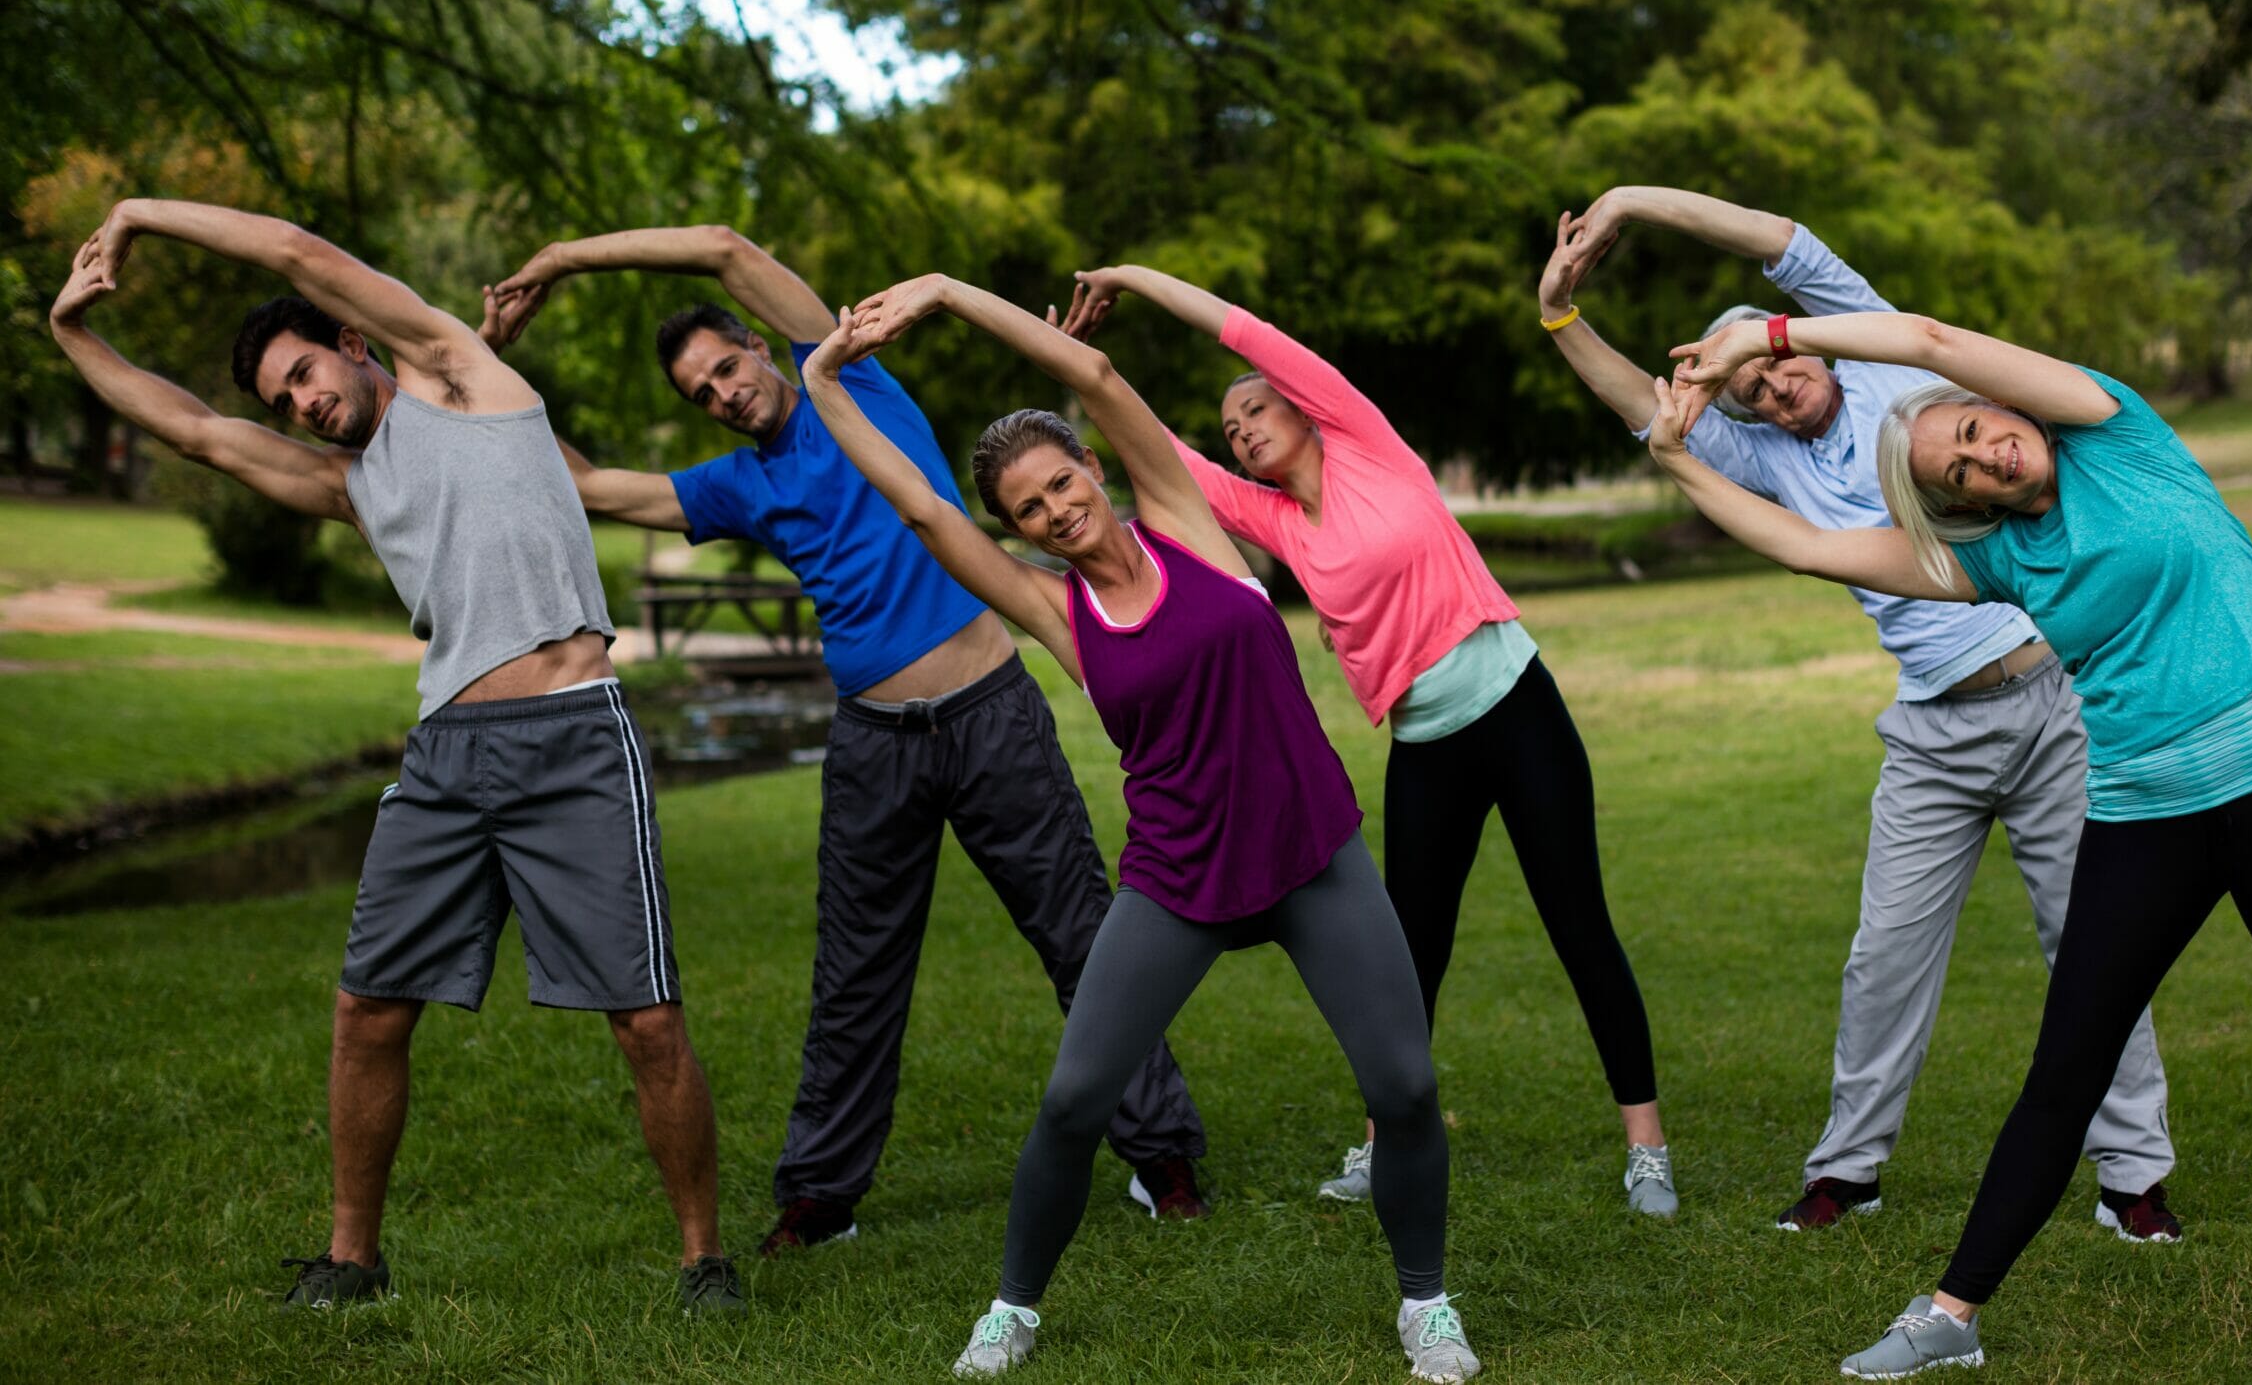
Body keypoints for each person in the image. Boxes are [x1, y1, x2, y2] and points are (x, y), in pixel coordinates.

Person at [1644, 309, 2252, 1385]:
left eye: (1980, 431)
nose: (1987, 456)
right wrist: (1671, 455)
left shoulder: (2111, 430)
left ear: (2005, 412)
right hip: (2140, 815)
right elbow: (1804, 544)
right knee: (2062, 1071)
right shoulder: (1995, 564)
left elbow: (1933, 345)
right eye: (1959, 471)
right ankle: (1949, 1318)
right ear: (1956, 505)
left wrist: (1766, 330)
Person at [48, 201, 740, 1315]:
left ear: (353, 343)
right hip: (448, 755)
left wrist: (136, 216)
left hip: (574, 734)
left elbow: (296, 253)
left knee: (646, 1016)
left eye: (307, 374)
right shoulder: (348, 485)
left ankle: (704, 1259)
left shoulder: (458, 376)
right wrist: (72, 333)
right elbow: (194, 433)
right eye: (285, 401)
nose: (304, 405)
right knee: (367, 1007)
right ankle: (352, 1261)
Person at [789, 273, 1478, 1382]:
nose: (1057, 511)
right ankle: (1013, 1310)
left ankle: (1425, 1305)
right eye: (1029, 510)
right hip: (1176, 877)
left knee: (1402, 1089)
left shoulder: (1190, 528)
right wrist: (821, 376)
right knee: (1072, 1102)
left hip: (1309, 851)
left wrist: (948, 295)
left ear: (1093, 470)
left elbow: (1096, 374)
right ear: (1017, 530)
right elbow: (918, 506)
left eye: (1063, 483)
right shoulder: (1058, 611)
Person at [482, 227, 1209, 1250]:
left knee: (1082, 938)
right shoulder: (738, 485)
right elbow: (593, 487)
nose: (724, 393)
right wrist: (493, 368)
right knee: (856, 974)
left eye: (727, 366)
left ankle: (1161, 1154)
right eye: (702, 393)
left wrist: (558, 259)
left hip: (992, 711)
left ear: (757, 344)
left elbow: (725, 249)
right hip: (875, 742)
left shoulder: (848, 379)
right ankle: (823, 1198)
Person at [1536, 186, 2181, 1239]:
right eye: (1754, 393)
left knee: (2092, 943)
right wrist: (1562, 316)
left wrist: (1632, 202)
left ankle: (2133, 1179)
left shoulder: (1887, 360)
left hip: (2050, 698)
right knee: (1884, 954)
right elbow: (1644, 412)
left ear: (1811, 348)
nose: (1778, 389)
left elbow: (1778, 242)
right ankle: (1847, 1172)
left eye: (1779, 364)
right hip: (1932, 729)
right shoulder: (1766, 457)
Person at [1059, 264, 1674, 1217]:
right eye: (1232, 429)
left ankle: (1647, 1147)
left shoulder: (1368, 444)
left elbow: (1245, 331)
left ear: (1304, 408)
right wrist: (1075, 366)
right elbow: (1152, 456)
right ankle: (1386, 1143)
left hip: (1517, 707)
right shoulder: (1269, 518)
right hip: (1427, 744)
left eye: (1258, 410)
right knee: (1406, 951)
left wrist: (1135, 280)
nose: (1245, 427)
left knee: (1577, 922)